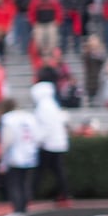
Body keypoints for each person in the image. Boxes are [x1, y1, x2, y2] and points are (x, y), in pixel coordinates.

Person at [0, 96, 41, 216]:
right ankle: (24, 209)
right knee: (24, 183)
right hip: (30, 154)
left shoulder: (8, 119)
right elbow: (37, 136)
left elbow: (7, 140)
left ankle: (18, 211)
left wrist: (2, 157)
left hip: (15, 155)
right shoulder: (29, 117)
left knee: (14, 184)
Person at [31, 78, 71, 206]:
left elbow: (45, 127)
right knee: (58, 171)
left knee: (40, 171)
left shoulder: (43, 107)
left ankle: (29, 194)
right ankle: (64, 193)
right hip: (57, 143)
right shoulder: (53, 104)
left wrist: (38, 141)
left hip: (49, 144)